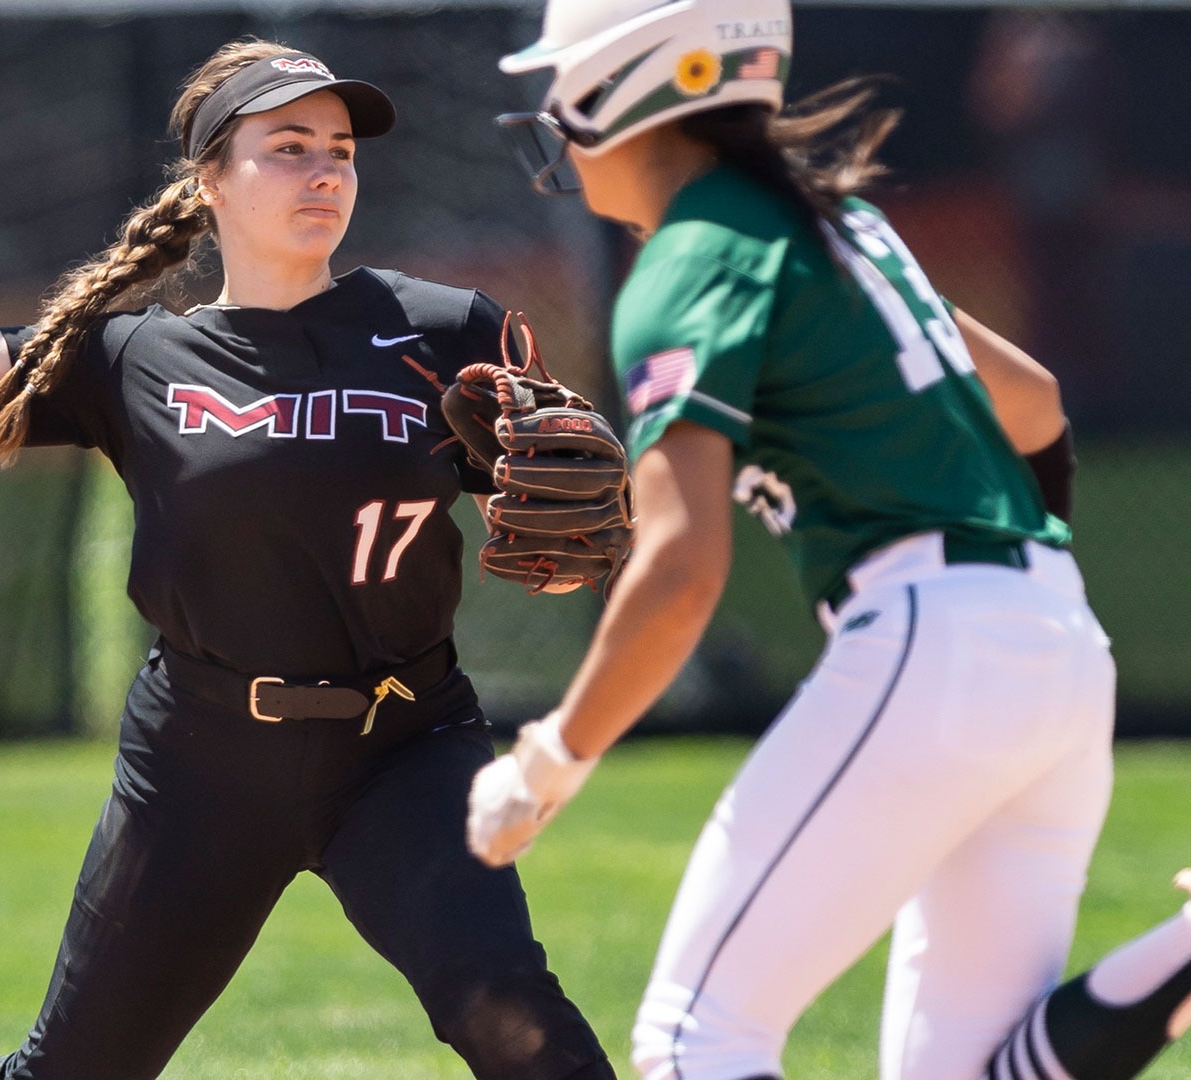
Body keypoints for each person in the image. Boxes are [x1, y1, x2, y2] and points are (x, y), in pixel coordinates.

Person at [0, 37, 616, 1080]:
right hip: (199, 765)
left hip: (404, 752)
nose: (326, 169)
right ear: (211, 180)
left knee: (517, 1023)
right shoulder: (131, 359)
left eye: (339, 148)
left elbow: (569, 529)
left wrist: (591, 527)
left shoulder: (442, 331)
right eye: (288, 147)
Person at [464, 0, 1191, 1078]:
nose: (559, 132)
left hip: (928, 637)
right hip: (1054, 644)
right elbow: (1033, 406)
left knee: (692, 1040)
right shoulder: (842, 223)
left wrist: (553, 756)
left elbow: (679, 566)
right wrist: (1014, 603)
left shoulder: (693, 253)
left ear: (630, 86)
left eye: (567, 95)